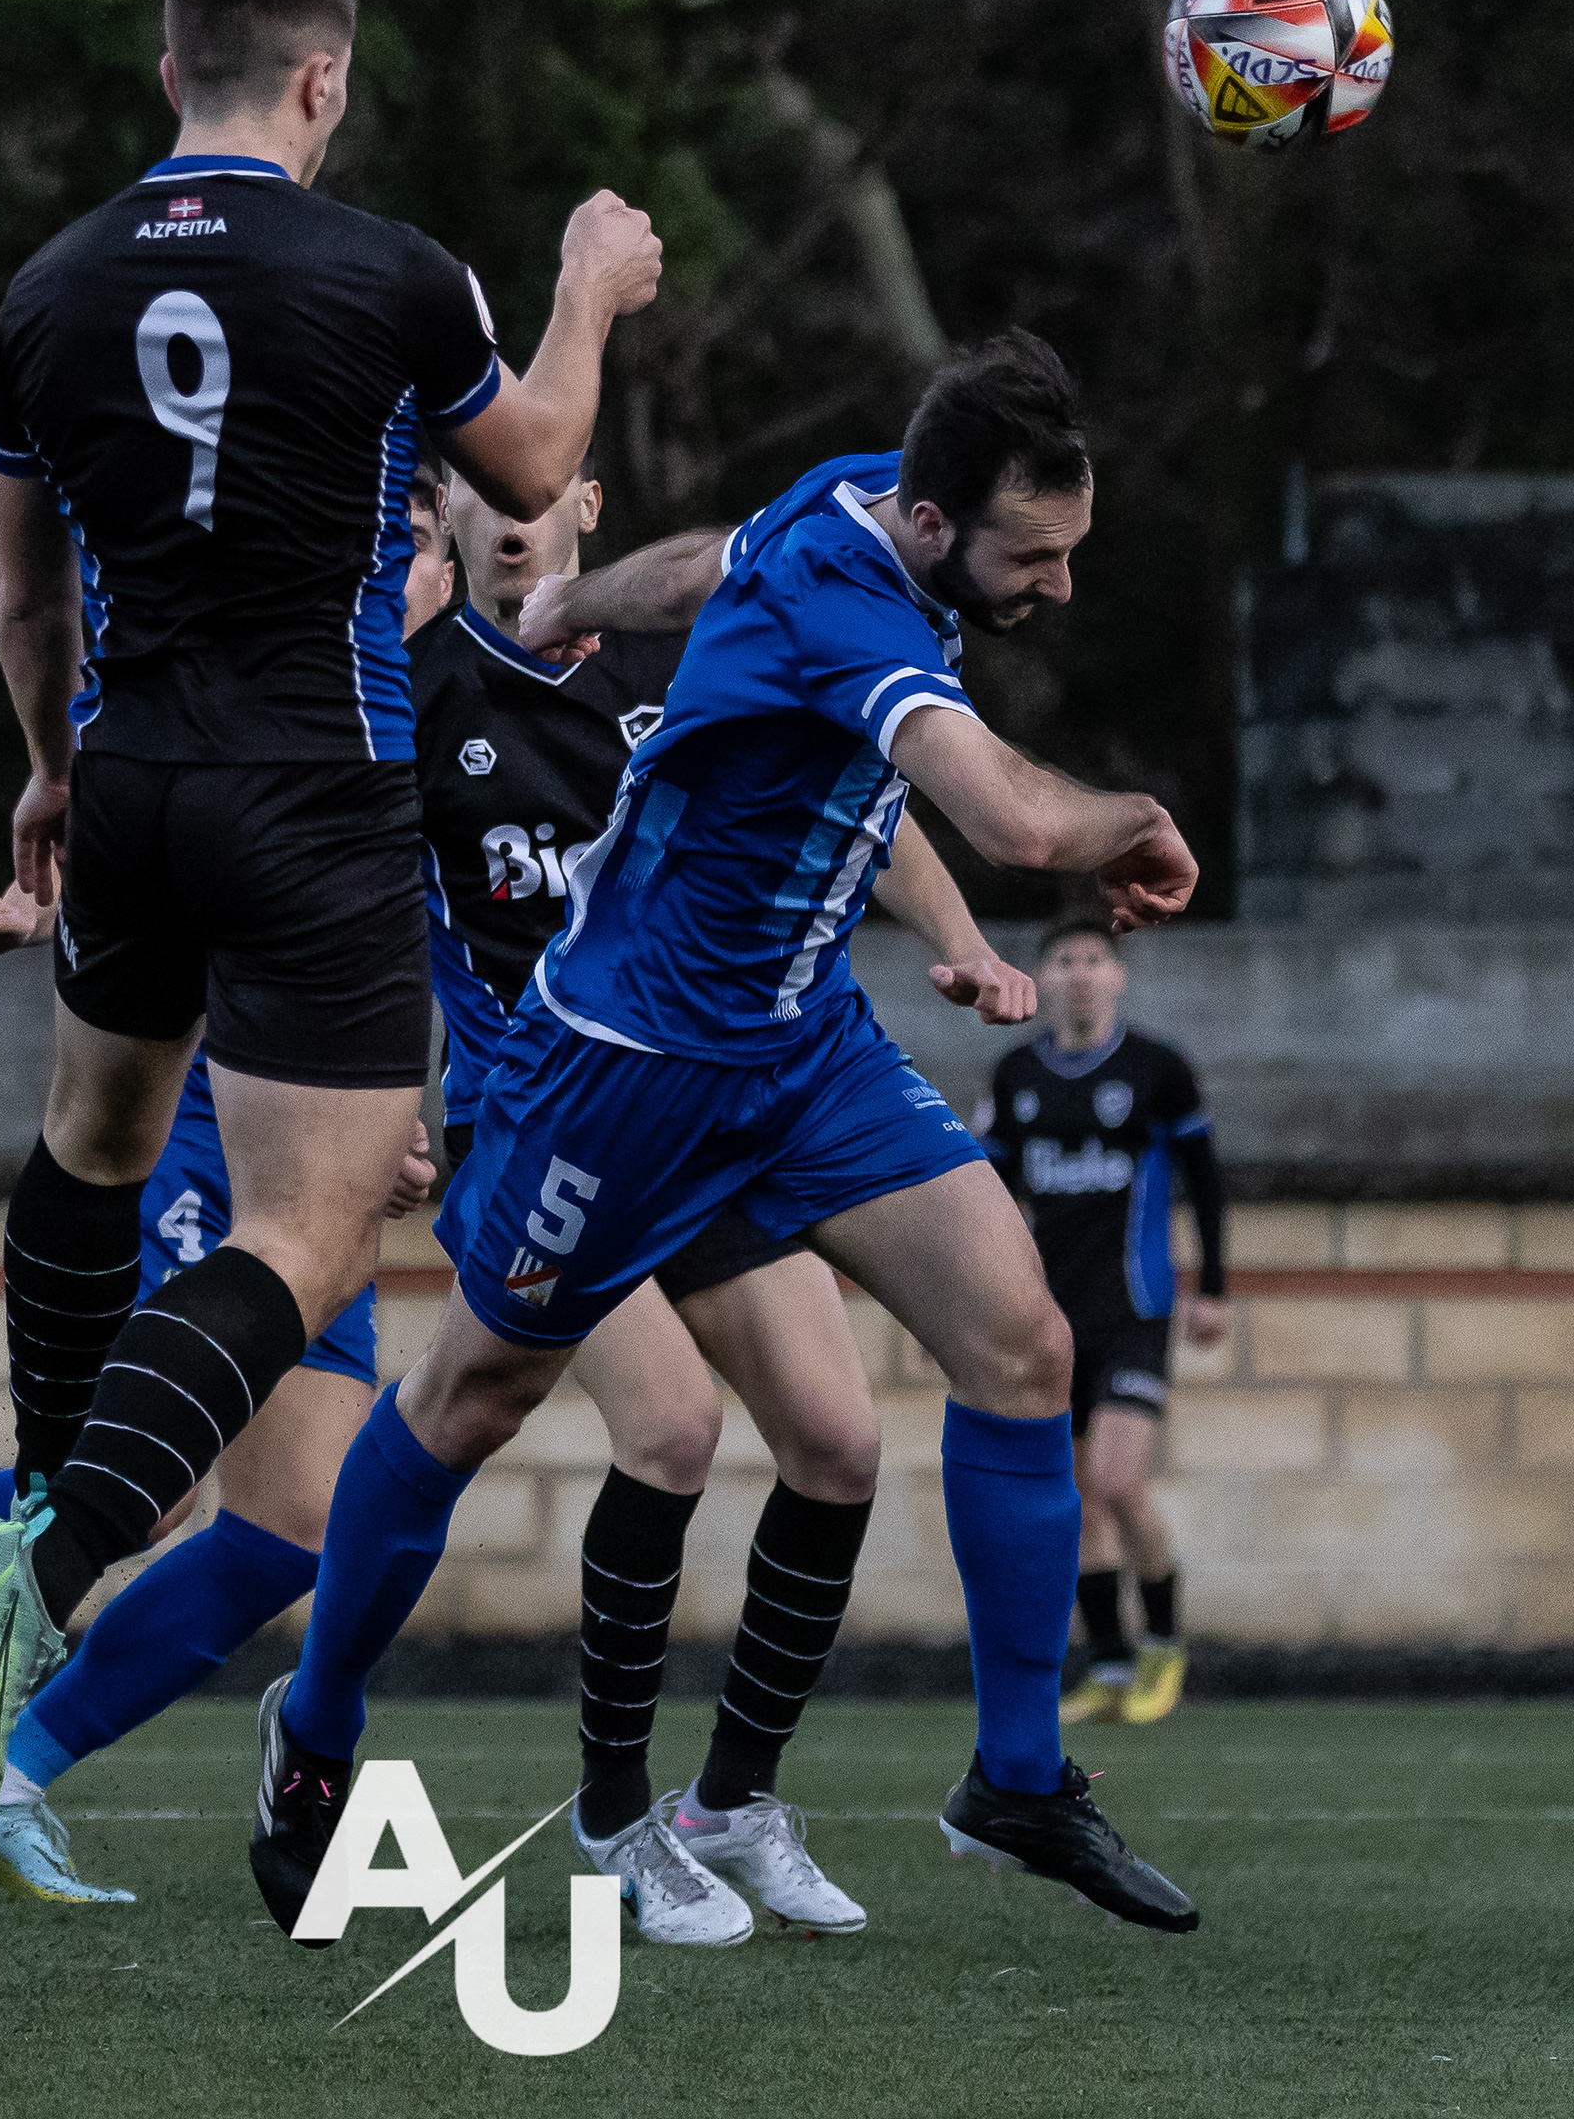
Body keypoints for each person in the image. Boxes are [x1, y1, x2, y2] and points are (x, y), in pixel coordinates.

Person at [0, 0, 662, 1816]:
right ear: (325, 80)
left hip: (132, 776)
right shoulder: (391, 272)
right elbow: (536, 451)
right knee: (300, 1249)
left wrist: (49, 775)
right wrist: (588, 288)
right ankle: (38, 1566)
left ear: (169, 74)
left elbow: (21, 597)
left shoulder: (46, 289)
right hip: (306, 791)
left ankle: (22, 1593)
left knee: (90, 1151)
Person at [247, 333, 1213, 1940]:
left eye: (1068, 552)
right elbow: (1016, 818)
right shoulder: (854, 600)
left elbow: (706, 562)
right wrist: (1143, 822)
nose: (1056, 588)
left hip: (804, 1050)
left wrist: (576, 600)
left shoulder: (854, 498)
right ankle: (318, 1728)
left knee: (1022, 1347)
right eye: (1032, 560)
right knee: (473, 1396)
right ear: (931, 526)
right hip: (624, 1066)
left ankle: (1014, 1776)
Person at [0, 482, 462, 1903]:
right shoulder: (281, 674)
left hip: (328, 1169)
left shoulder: (455, 722)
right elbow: (179, 866)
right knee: (132, 1483)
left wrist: (406, 1128)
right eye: (392, 540)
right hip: (213, 1127)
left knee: (292, 1526)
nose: (407, 568)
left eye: (426, 547)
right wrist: (44, 914)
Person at [413, 455, 1034, 1943]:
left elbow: (855, 790)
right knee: (672, 1427)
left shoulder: (669, 663)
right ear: (444, 513)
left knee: (836, 1440)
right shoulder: (414, 691)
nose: (513, 515)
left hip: (699, 1098)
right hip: (540, 1110)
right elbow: (356, 906)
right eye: (482, 490)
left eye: (539, 490)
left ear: (588, 506)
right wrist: (379, 1105)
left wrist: (961, 938)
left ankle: (732, 1802)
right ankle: (612, 1815)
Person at [980, 920, 1227, 1730]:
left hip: (1136, 1309)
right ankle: (1111, 1664)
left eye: (1094, 960)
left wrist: (1213, 1289)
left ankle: (1163, 1644)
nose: (1080, 974)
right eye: (1065, 961)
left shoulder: (1158, 1068)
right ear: (1042, 978)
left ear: (1117, 977)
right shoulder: (1016, 1076)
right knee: (1078, 1499)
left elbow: (1205, 1179)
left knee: (1120, 1482)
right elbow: (986, 1199)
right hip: (1052, 1318)